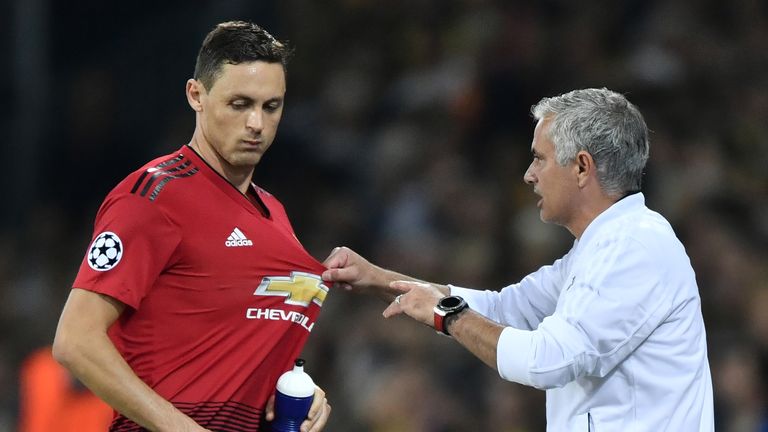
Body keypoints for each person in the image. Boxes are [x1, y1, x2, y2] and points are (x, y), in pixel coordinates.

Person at [323, 88, 714, 431]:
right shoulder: (601, 247)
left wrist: (447, 313)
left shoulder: (635, 247)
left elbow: (547, 361)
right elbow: (504, 309)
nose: (528, 175)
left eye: (540, 159)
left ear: (581, 167)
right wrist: (377, 279)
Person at [52, 21, 331, 432]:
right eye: (240, 104)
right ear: (196, 95)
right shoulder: (151, 198)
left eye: (271, 106)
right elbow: (76, 341)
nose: (257, 123)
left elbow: (230, 341)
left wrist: (296, 388)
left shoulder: (275, 213)